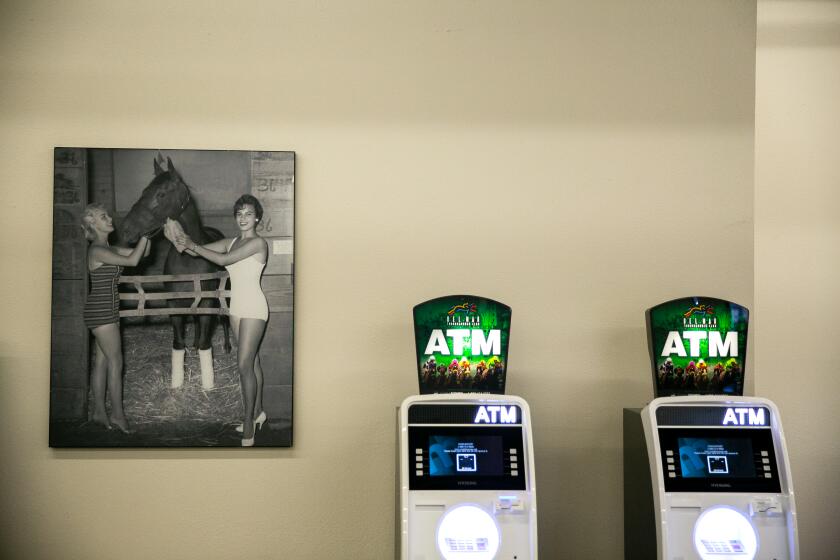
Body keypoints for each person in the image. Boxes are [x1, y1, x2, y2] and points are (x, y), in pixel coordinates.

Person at [170, 194, 269, 446]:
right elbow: (196, 253)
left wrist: (194, 245)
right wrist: (183, 240)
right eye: (239, 214)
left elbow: (223, 260)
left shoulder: (258, 243)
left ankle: (248, 422)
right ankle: (258, 413)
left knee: (244, 364)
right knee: (253, 361)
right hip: (236, 306)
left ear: (257, 217)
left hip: (254, 307)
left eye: (248, 213)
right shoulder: (231, 241)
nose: (243, 218)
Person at [81, 203, 150, 433]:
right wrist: (145, 237)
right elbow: (133, 261)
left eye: (108, 214)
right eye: (103, 216)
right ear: (93, 224)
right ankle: (118, 416)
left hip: (106, 310)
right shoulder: (96, 250)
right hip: (101, 311)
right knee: (116, 362)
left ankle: (99, 413)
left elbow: (142, 253)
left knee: (101, 362)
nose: (110, 218)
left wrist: (147, 233)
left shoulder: (107, 248)